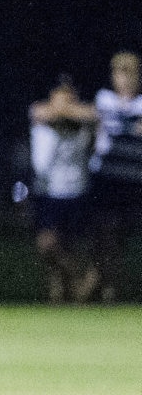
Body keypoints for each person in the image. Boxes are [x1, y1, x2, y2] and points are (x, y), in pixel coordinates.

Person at [28, 76, 98, 303]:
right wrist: (60, 110)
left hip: (77, 190)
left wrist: (67, 110)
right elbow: (37, 111)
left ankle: (62, 294)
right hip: (48, 193)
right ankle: (78, 277)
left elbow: (93, 114)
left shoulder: (81, 128)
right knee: (47, 246)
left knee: (73, 245)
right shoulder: (42, 125)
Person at [87, 50, 142, 302]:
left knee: (123, 237)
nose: (124, 79)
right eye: (119, 73)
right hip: (106, 178)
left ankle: (114, 286)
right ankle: (105, 285)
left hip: (133, 180)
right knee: (105, 234)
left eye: (129, 73)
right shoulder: (104, 99)